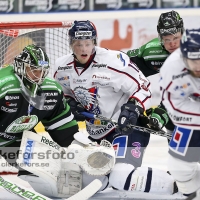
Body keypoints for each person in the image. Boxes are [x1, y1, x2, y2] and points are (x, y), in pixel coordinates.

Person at [53, 20, 179, 196]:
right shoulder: (61, 67)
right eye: (78, 44)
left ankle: (182, 183)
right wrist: (69, 103)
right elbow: (63, 93)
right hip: (97, 134)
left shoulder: (113, 61)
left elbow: (143, 86)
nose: (83, 49)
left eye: (87, 44)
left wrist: (133, 107)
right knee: (85, 181)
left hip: (127, 129)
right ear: (71, 43)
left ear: (94, 42)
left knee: (120, 175)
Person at [0, 44, 79, 195]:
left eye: (42, 71)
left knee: (44, 170)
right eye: (34, 70)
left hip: (14, 139)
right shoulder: (4, 85)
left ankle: (65, 192)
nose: (39, 75)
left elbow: (64, 128)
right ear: (21, 67)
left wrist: (75, 152)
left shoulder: (51, 90)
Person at [127, 10, 184, 137]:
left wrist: (161, 113)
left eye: (176, 38)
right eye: (167, 39)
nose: (172, 44)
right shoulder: (151, 52)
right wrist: (137, 106)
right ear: (160, 38)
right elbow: (120, 66)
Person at [159, 28, 200, 198]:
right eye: (192, 61)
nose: (197, 66)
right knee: (179, 167)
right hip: (192, 108)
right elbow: (175, 107)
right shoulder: (172, 69)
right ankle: (190, 193)